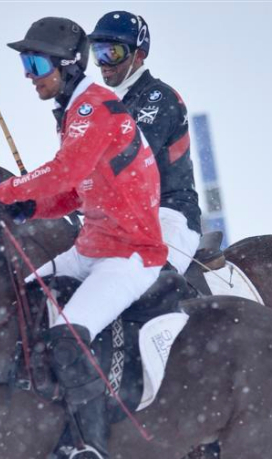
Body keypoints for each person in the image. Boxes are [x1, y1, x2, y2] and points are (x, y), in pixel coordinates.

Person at [0, 17, 167, 459]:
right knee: (17, 302)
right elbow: (76, 191)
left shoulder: (95, 107)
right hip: (91, 248)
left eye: (36, 62)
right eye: (25, 62)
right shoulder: (72, 110)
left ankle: (92, 455)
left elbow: (66, 170)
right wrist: (29, 205)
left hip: (130, 255)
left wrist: (5, 191)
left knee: (68, 337)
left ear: (66, 65)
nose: (29, 74)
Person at [87, 12, 203, 274]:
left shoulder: (158, 97)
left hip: (170, 213)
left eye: (113, 53)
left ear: (138, 54)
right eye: (98, 53)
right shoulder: (105, 106)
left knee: (149, 281)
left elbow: (128, 160)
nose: (104, 63)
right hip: (121, 221)